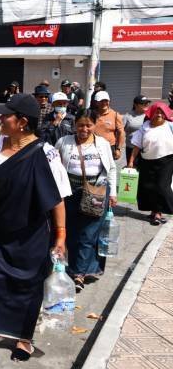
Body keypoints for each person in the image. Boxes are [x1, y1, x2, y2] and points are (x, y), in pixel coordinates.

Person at [0, 93, 71, 362]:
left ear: (23, 122)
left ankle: (24, 338)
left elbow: (58, 199)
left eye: (6, 116)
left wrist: (61, 236)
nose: (0, 118)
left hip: (31, 233)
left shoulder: (46, 154)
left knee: (27, 285)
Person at [55, 111, 117, 291]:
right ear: (75, 125)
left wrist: (112, 193)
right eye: (81, 125)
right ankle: (69, 267)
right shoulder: (64, 142)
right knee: (70, 232)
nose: (84, 129)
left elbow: (112, 168)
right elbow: (54, 167)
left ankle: (79, 274)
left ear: (95, 125)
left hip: (95, 192)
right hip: (68, 192)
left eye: (88, 125)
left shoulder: (103, 144)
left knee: (88, 234)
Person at [128, 102, 173, 226]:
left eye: (162, 113)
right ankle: (154, 211)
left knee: (161, 186)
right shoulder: (145, 127)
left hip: (166, 161)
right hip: (147, 161)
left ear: (165, 115)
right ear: (152, 113)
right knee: (149, 187)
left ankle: (159, 213)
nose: (159, 115)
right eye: (157, 112)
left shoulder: (170, 125)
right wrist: (131, 161)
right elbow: (136, 146)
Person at [92, 91, 124, 161]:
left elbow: (121, 133)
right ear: (96, 102)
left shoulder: (115, 115)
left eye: (106, 101)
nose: (104, 103)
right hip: (93, 146)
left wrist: (118, 149)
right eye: (101, 101)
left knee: (108, 167)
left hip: (109, 147)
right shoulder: (91, 114)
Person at [124, 95, 151, 162]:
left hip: (146, 149)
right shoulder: (128, 116)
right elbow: (120, 131)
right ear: (135, 105)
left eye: (147, 103)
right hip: (131, 148)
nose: (146, 104)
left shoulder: (150, 116)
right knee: (132, 167)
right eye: (143, 103)